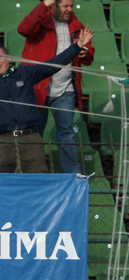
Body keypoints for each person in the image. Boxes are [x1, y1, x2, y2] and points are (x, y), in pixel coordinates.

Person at [17, 0, 95, 175]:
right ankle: (31, 175)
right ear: (54, 6)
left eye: (71, 5)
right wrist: (43, 5)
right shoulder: (40, 22)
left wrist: (86, 53)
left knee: (66, 133)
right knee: (35, 135)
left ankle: (72, 175)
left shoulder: (75, 24)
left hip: (65, 89)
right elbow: (23, 29)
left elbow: (89, 53)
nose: (70, 9)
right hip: (38, 89)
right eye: (65, 6)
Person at [0, 30, 91, 173]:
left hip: (30, 138)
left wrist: (78, 45)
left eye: (0, 57)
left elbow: (53, 64)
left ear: (9, 58)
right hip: (3, 141)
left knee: (38, 181)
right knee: (3, 186)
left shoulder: (24, 73)